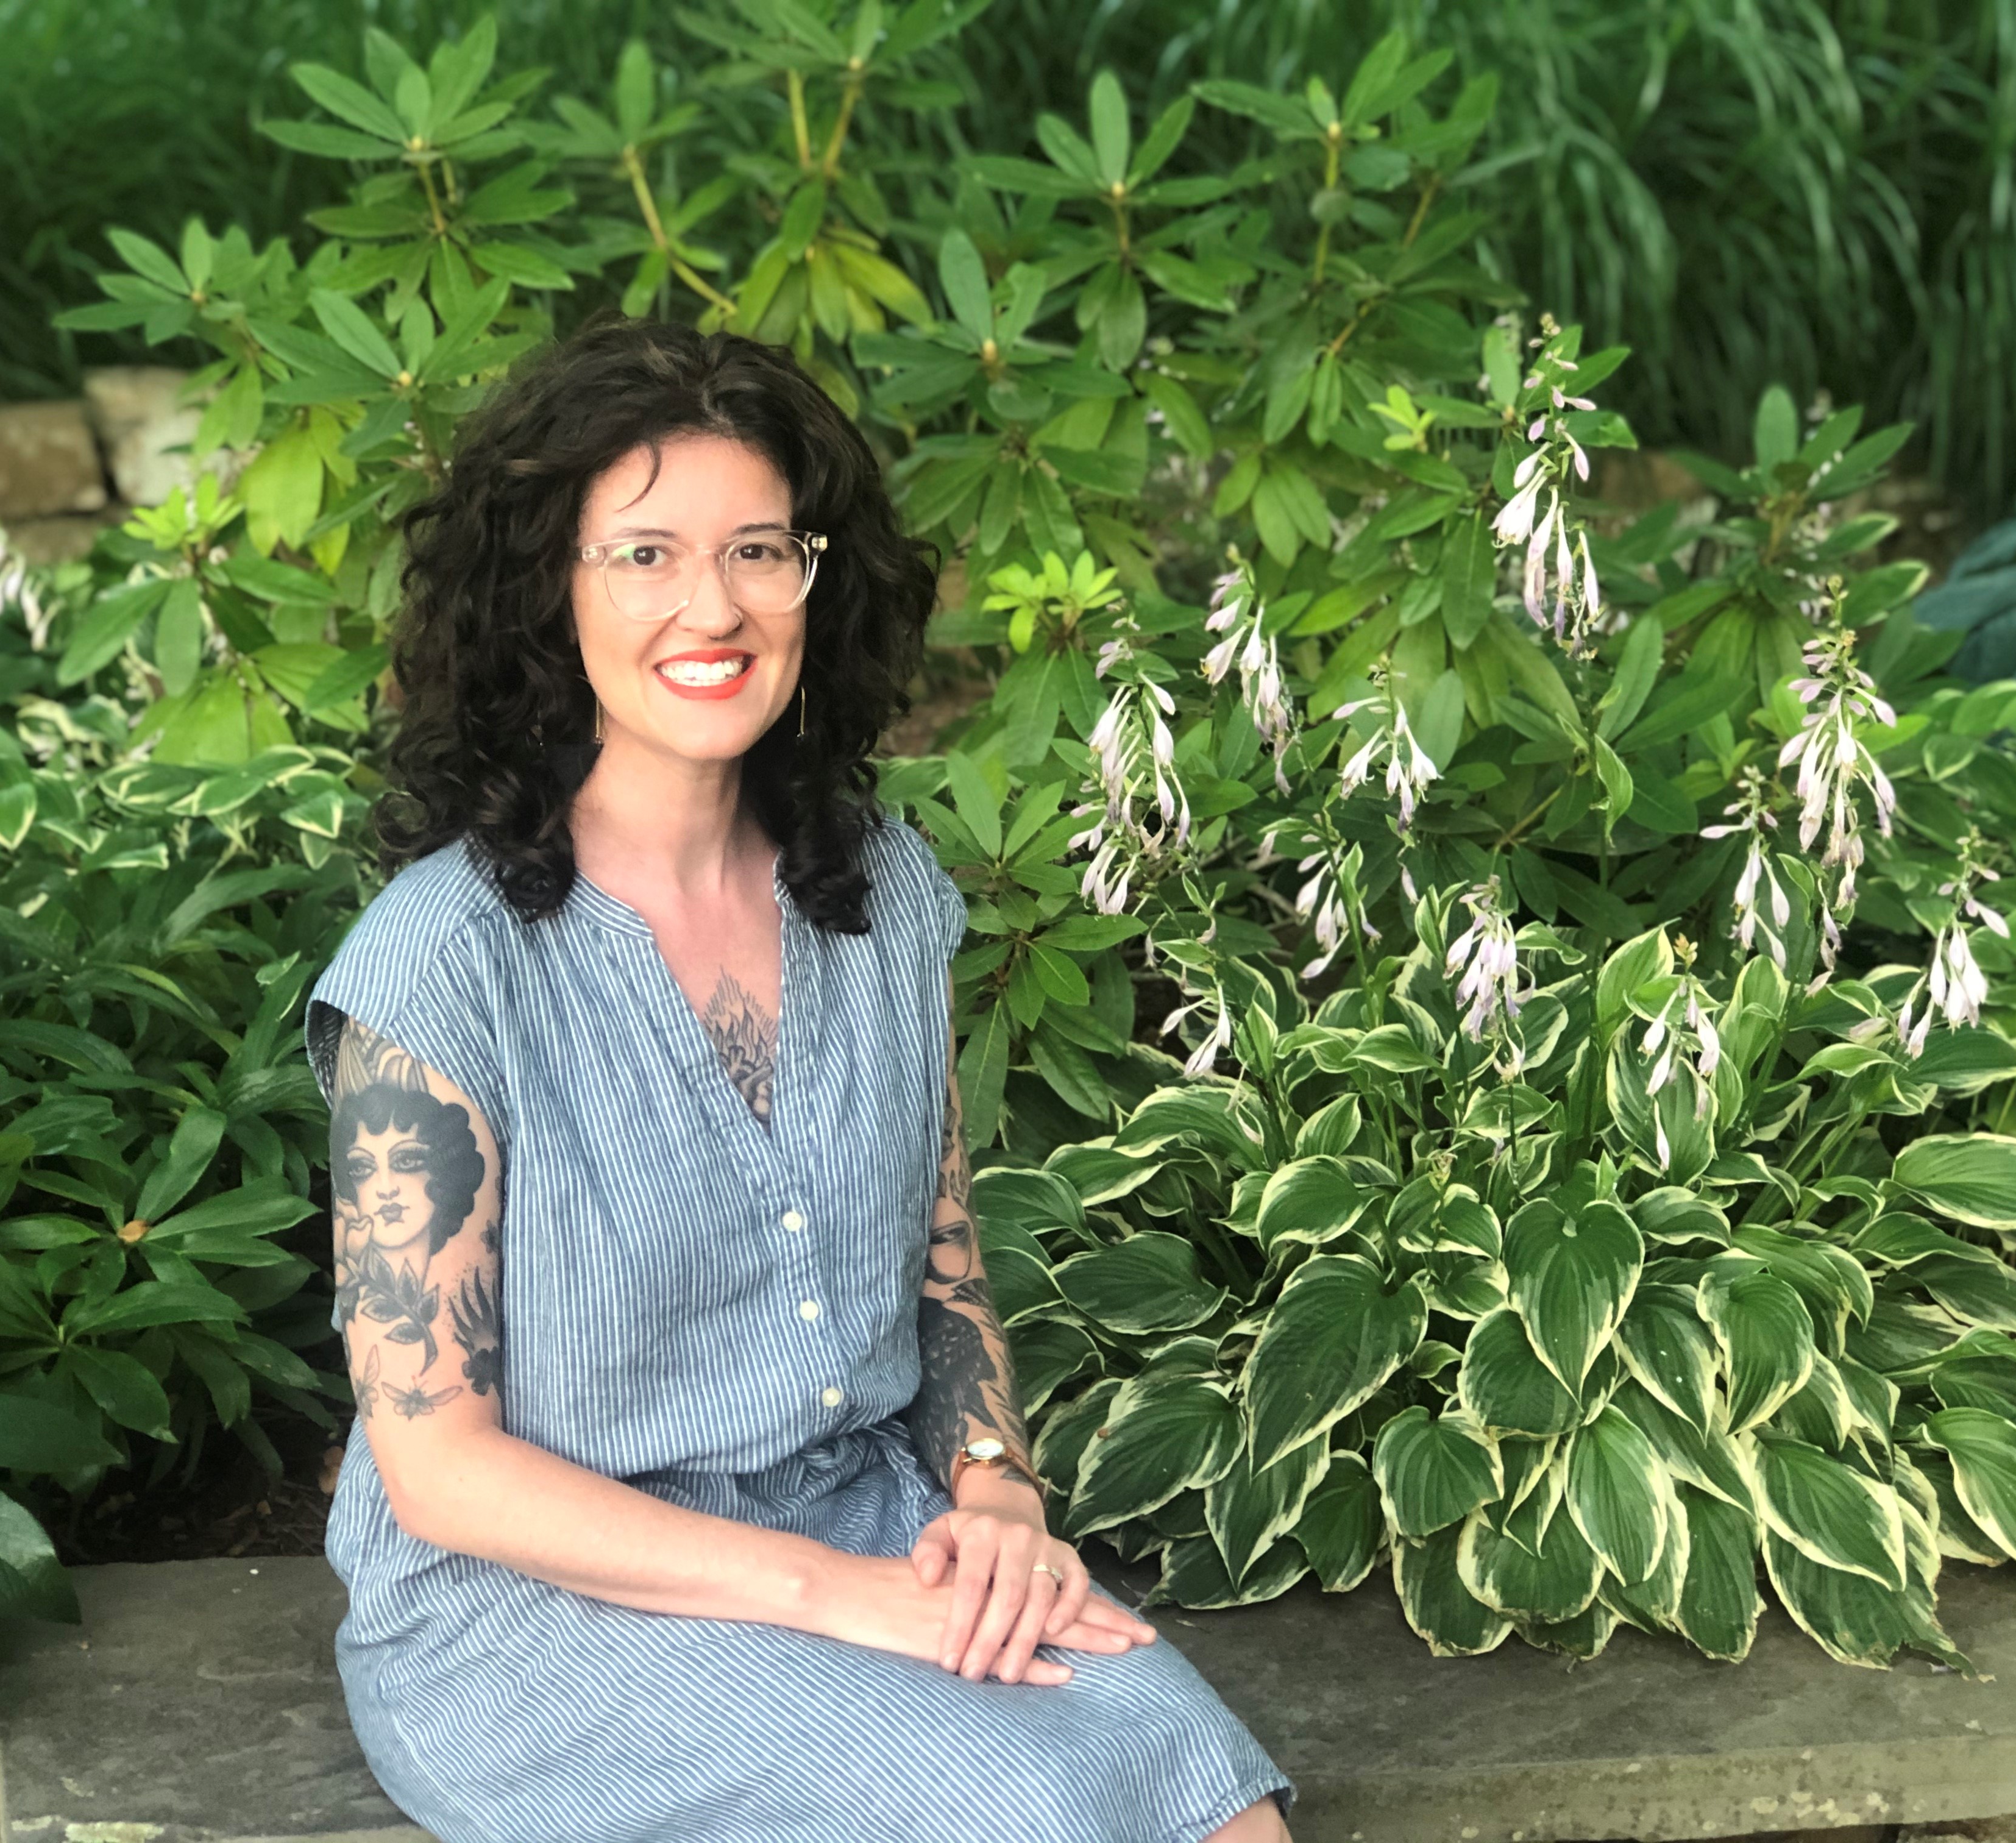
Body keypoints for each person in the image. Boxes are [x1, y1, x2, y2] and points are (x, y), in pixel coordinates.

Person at [303, 312, 1295, 1843]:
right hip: (539, 1615)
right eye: (642, 554)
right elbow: (440, 1476)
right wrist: (840, 1605)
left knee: (1214, 1804)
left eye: (760, 550)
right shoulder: (443, 960)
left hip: (859, 1522)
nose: (713, 603)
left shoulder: (882, 895)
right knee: (1024, 1819)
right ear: (545, 594)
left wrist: (995, 1498)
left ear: (817, 584)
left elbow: (941, 1267)